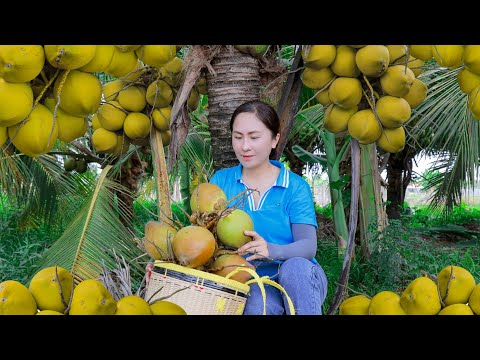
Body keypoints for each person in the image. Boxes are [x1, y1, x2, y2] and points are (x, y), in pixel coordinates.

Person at [208, 100, 328, 315]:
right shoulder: (220, 181)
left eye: (254, 137)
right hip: (253, 280)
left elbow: (308, 246)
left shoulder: (295, 186)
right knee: (256, 303)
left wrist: (271, 250)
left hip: (300, 279)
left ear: (275, 140)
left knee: (296, 268)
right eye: (238, 137)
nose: (245, 146)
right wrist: (167, 263)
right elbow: (202, 235)